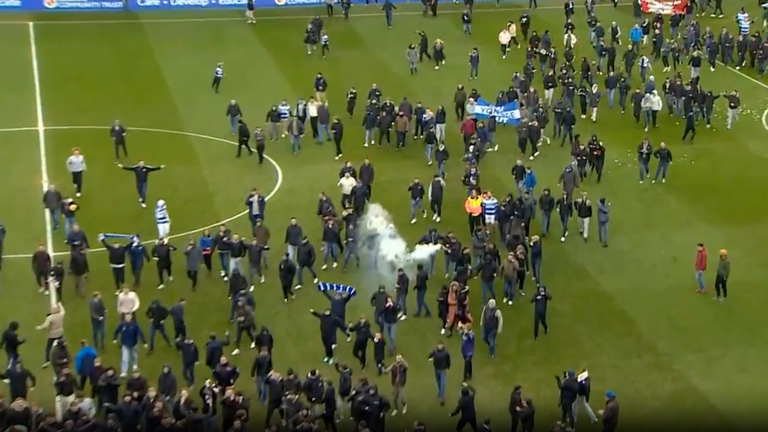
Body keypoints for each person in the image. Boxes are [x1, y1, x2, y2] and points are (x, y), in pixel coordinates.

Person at [112, 313, 147, 378]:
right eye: (126, 316)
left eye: (129, 316)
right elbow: (116, 331)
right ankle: (124, 372)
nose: (128, 317)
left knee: (134, 355)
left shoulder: (134, 325)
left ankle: (134, 365)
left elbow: (140, 333)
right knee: (124, 358)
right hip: (125, 344)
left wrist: (144, 342)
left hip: (134, 344)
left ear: (131, 317)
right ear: (124, 317)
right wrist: (114, 338)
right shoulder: (122, 324)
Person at [36, 303, 65, 369]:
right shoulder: (60, 315)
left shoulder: (50, 318)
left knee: (48, 348)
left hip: (52, 334)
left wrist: (39, 327)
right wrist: (60, 305)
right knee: (62, 345)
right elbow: (63, 311)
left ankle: (47, 360)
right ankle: (64, 357)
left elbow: (45, 325)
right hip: (60, 333)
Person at [428, 340, 450, 406]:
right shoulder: (435, 351)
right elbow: (429, 356)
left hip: (442, 370)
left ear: (443, 346)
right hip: (436, 369)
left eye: (441, 345)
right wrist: (431, 354)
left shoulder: (445, 353)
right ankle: (440, 393)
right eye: (439, 345)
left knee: (442, 384)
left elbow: (448, 360)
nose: (439, 346)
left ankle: (442, 399)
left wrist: (447, 366)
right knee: (438, 382)